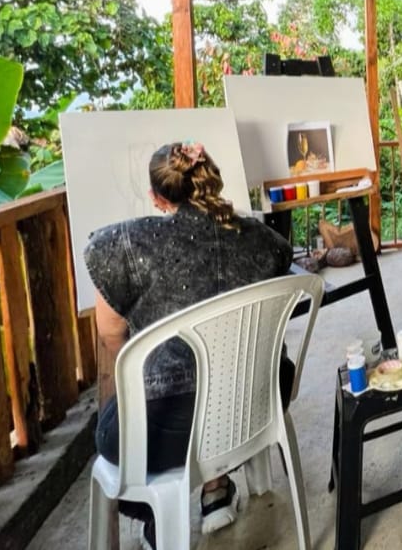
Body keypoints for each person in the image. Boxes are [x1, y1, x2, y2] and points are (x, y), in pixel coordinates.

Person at [85, 142, 295, 548]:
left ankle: (157, 518)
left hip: (165, 433)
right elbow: (282, 257)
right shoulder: (261, 239)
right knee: (217, 386)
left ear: (157, 198)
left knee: (113, 428)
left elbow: (111, 335)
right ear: (211, 181)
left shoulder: (122, 244)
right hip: (256, 405)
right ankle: (216, 488)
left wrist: (143, 372)